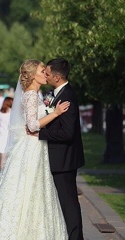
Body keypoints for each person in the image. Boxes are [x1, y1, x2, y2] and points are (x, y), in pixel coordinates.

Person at [0, 59, 70, 240]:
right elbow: (32, 125)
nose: (45, 73)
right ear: (32, 75)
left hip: (37, 146)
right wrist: (55, 113)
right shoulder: (30, 95)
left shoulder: (36, 95)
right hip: (32, 147)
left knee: (38, 193)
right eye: (42, 70)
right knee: (28, 191)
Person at [39, 58, 85, 240]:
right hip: (57, 158)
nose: (45, 76)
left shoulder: (67, 98)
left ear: (57, 77)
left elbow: (67, 133)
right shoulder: (56, 93)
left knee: (68, 203)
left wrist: (40, 134)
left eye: (48, 74)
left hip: (64, 160)